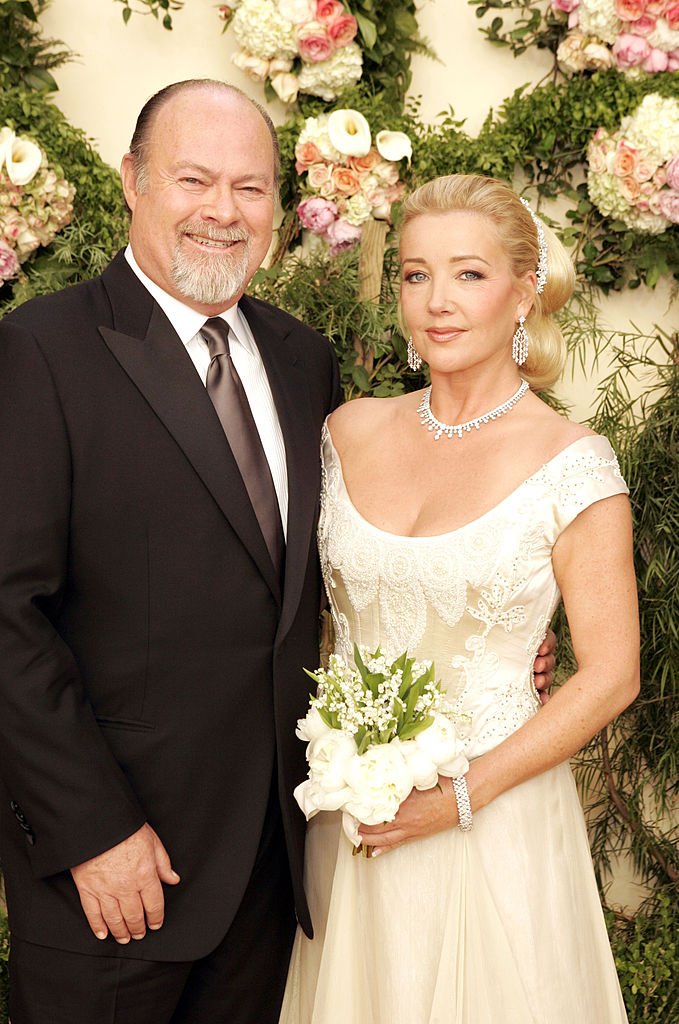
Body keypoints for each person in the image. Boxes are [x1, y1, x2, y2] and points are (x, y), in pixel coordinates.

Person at [0, 84, 554, 1022]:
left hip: (280, 871)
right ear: (131, 181)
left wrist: (491, 638)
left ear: (279, 212)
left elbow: (338, 577)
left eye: (250, 188)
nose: (223, 211)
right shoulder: (38, 351)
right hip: (118, 874)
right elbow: (6, 617)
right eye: (194, 179)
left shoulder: (303, 360)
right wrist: (92, 831)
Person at [279, 174, 639, 1024]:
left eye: (468, 274)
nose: (436, 301)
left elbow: (611, 674)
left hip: (493, 825)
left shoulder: (573, 461)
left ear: (523, 292)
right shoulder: (347, 429)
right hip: (349, 817)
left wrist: (455, 799)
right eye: (414, 273)